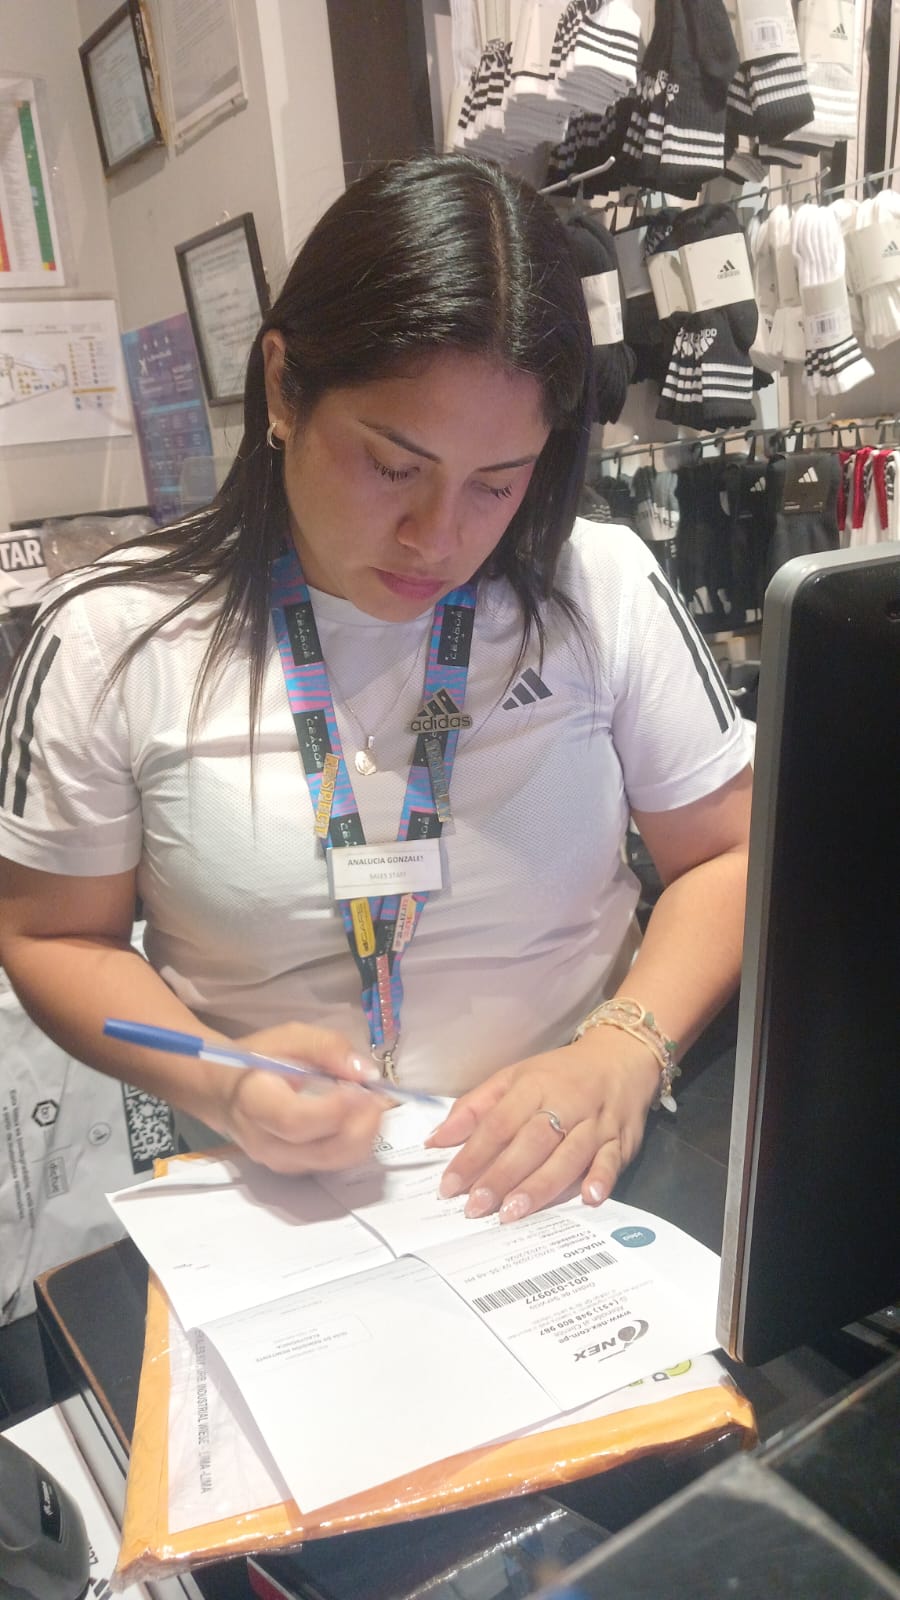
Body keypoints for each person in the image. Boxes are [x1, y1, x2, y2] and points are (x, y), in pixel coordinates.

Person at [0, 153, 752, 1226]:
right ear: (283, 387)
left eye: (498, 483)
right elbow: (52, 938)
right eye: (395, 466)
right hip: (286, 1217)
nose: (436, 537)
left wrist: (624, 1048)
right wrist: (221, 1079)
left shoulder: (601, 583)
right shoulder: (111, 635)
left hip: (579, 1192)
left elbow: (729, 854)